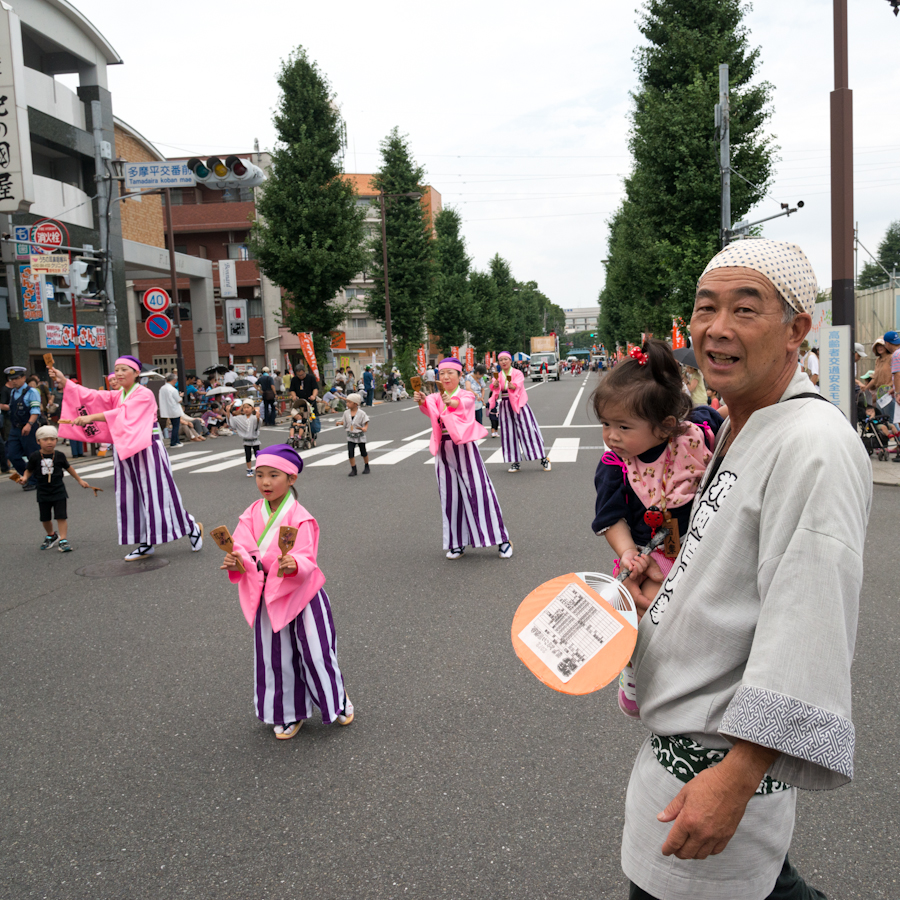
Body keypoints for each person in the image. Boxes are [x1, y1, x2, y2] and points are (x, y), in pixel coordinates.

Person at [620, 238, 871, 900]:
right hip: (683, 762)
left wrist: (741, 772)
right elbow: (735, 570)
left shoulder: (812, 444)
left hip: (718, 766)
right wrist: (667, 593)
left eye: (745, 308)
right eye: (706, 307)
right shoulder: (745, 423)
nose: (717, 328)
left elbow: (809, 616)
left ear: (796, 330)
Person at [591, 341, 721, 718]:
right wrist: (627, 551)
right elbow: (609, 518)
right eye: (606, 424)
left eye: (623, 426)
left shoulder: (695, 434)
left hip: (698, 547)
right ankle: (634, 672)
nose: (611, 435)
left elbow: (725, 417)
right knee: (645, 609)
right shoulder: (615, 465)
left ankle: (687, 679)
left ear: (666, 426)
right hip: (648, 554)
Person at [220, 444, 354, 739]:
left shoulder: (300, 516)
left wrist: (294, 564)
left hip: (302, 595)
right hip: (269, 594)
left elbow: (307, 557)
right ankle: (287, 712)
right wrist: (237, 560)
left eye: (273, 475)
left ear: (291, 478)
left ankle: (337, 700)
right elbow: (243, 547)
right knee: (275, 657)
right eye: (259, 475)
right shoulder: (251, 513)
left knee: (316, 652)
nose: (265, 482)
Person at [50, 356, 203, 561]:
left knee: (158, 495)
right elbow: (92, 396)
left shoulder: (145, 393)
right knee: (132, 497)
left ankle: (190, 526)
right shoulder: (119, 394)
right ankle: (145, 543)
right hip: (126, 449)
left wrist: (90, 418)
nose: (119, 373)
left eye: (124, 369)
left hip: (148, 448)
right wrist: (65, 381)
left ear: (136, 372)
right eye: (117, 369)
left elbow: (122, 413)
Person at [414, 357, 513, 560]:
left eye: (451, 373)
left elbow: (463, 404)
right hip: (443, 449)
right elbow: (429, 409)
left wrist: (451, 401)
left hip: (465, 447)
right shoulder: (434, 397)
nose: (446, 376)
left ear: (460, 376)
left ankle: (502, 539)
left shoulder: (466, 394)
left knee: (480, 492)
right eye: (442, 373)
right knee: (450, 496)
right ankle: (456, 542)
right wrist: (423, 400)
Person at [20, 424, 93, 553]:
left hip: (59, 490)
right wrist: (25, 478)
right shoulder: (35, 456)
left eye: (52, 439)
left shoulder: (59, 455)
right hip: (42, 490)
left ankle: (63, 540)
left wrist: (80, 480)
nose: (49, 442)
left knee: (61, 516)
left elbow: (69, 468)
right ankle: (51, 535)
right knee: (45, 517)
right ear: (38, 441)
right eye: (45, 439)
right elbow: (29, 470)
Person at [488, 351, 551, 472]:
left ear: (510, 360)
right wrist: (495, 385)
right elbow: (495, 391)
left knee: (529, 431)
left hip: (519, 404)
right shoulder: (498, 375)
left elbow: (518, 385)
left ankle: (543, 458)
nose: (503, 362)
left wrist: (513, 385)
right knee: (508, 433)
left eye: (506, 359)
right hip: (505, 405)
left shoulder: (517, 373)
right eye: (501, 360)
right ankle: (515, 462)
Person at [2, 366, 41, 489]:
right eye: (11, 378)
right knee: (12, 454)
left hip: (28, 427)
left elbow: (35, 410)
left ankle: (34, 481)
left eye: (17, 378)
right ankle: (28, 476)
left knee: (32, 455)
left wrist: (29, 424)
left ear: (23, 378)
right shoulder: (13, 392)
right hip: (15, 428)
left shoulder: (32, 392)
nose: (14, 381)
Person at [228, 399, 261, 476]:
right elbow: (231, 421)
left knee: (258, 455)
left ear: (252, 408)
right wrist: (228, 411)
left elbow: (258, 425)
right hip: (246, 441)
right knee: (248, 455)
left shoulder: (254, 417)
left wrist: (258, 417)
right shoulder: (240, 418)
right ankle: (249, 469)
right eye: (244, 407)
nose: (246, 409)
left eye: (248, 407)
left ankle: (259, 468)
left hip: (255, 440)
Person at [342, 392, 370, 476]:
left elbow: (366, 421)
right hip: (351, 436)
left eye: (349, 402)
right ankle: (353, 469)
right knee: (350, 452)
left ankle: (366, 465)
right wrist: (340, 423)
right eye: (347, 402)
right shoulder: (346, 413)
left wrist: (365, 427)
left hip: (359, 435)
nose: (347, 404)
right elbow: (345, 422)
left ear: (355, 404)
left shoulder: (361, 413)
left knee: (363, 452)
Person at [158, 373, 185, 448]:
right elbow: (179, 400)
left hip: (167, 409)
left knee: (174, 426)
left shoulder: (162, 388)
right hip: (174, 409)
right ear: (173, 380)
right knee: (176, 426)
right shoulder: (173, 390)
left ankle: (176, 441)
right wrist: (181, 396)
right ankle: (174, 442)